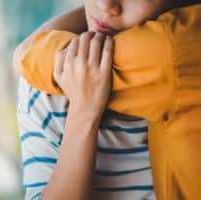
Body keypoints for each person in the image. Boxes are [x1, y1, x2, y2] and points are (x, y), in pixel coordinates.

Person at [15, 1, 201, 199]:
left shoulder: (180, 54)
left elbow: (25, 58)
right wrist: (83, 116)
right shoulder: (46, 97)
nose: (106, 4)